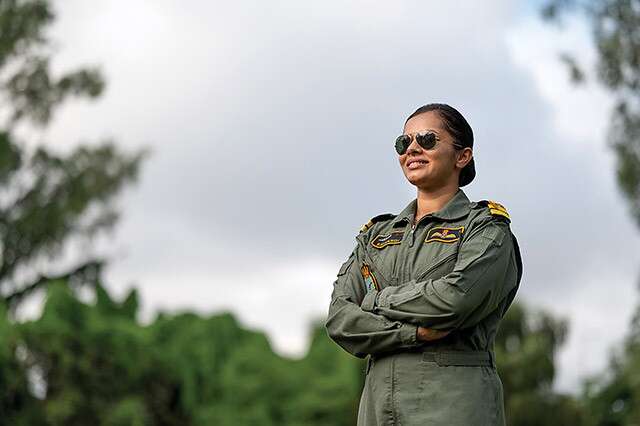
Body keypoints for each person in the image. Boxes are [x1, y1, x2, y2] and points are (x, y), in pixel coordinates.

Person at [324, 103, 523, 425]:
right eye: (404, 143)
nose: (412, 148)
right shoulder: (375, 235)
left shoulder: (485, 228)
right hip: (378, 409)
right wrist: (413, 332)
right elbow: (340, 319)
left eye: (428, 139)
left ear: (462, 156)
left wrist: (376, 299)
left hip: (453, 407)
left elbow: (456, 300)